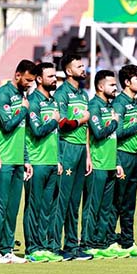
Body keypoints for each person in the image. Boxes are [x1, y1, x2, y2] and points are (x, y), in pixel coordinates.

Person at [0, 59, 35, 264]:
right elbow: (6, 125)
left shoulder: (21, 96)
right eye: (27, 80)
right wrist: (23, 109)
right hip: (4, 160)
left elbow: (21, 131)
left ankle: (6, 249)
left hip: (17, 160)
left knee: (13, 207)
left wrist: (25, 159)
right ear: (17, 75)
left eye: (32, 81)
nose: (30, 84)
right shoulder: (3, 94)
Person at [52, 54, 93, 261]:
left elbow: (85, 126)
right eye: (79, 66)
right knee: (62, 199)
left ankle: (71, 245)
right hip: (66, 148)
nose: (83, 68)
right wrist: (80, 120)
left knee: (75, 201)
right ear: (69, 71)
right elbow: (60, 124)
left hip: (80, 150)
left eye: (83, 65)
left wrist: (87, 153)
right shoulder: (61, 94)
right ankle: (53, 244)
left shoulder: (83, 94)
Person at [109, 65, 137, 257]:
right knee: (117, 201)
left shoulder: (134, 104)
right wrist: (136, 125)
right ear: (127, 82)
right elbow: (116, 133)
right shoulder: (119, 103)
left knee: (129, 203)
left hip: (134, 157)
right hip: (122, 155)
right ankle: (110, 240)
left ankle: (127, 242)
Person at [82, 70, 126, 259]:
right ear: (100, 87)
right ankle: (86, 242)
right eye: (111, 85)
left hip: (109, 164)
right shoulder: (94, 106)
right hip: (98, 164)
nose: (115, 88)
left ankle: (100, 242)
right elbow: (99, 134)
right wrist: (115, 122)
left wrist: (116, 162)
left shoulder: (109, 107)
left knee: (106, 207)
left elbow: (112, 139)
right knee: (92, 205)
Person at [23, 62, 63, 263]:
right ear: (39, 79)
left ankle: (45, 246)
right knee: (34, 206)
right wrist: (54, 120)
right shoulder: (33, 101)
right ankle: (32, 248)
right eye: (50, 76)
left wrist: (58, 160)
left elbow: (55, 136)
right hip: (37, 162)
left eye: (55, 75)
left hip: (51, 162)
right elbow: (37, 132)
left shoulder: (53, 101)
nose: (54, 79)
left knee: (47, 207)